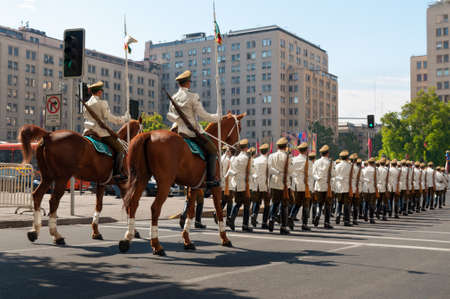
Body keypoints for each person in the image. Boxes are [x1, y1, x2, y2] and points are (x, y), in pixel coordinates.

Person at [167, 70, 220, 188]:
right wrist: (217, 118)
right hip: (191, 133)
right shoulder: (193, 96)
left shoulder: (174, 97)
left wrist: (178, 121)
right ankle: (211, 179)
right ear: (188, 83)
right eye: (190, 82)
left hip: (177, 131)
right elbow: (203, 115)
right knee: (212, 151)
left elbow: (169, 115)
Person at [83, 81, 130, 181]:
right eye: (101, 91)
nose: (102, 93)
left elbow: (86, 117)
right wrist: (124, 119)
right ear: (99, 92)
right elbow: (109, 118)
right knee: (120, 149)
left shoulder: (86, 104)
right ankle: (117, 173)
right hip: (101, 132)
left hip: (88, 130)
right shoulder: (102, 103)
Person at [226, 139, 254, 232]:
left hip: (237, 184)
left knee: (237, 203)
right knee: (246, 205)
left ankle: (231, 218)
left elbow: (232, 171)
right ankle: (245, 225)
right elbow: (252, 172)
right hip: (245, 185)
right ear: (246, 147)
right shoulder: (248, 158)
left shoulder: (235, 158)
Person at [268, 137, 292, 235]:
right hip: (285, 184)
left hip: (274, 182)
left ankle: (271, 217)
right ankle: (283, 227)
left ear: (277, 146)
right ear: (286, 147)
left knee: (275, 203)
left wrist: (277, 172)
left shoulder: (271, 156)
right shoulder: (288, 157)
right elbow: (291, 171)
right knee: (284, 205)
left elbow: (269, 169)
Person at [289, 142, 313, 231]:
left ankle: (291, 216)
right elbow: (311, 174)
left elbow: (290, 171)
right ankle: (304, 224)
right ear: (306, 151)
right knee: (306, 205)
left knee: (297, 203)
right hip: (305, 185)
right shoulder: (308, 162)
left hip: (295, 185)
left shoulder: (293, 160)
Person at [312, 145, 335, 229]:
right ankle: (326, 222)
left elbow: (313, 173)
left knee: (319, 203)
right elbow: (333, 174)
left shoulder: (316, 162)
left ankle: (317, 214)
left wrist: (318, 178)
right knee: (328, 204)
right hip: (327, 185)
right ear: (327, 153)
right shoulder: (330, 162)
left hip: (318, 185)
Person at [251, 143, 271, 229]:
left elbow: (252, 171)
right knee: (267, 205)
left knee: (256, 202)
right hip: (265, 184)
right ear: (267, 151)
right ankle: (264, 222)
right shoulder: (267, 160)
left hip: (256, 184)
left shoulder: (255, 160)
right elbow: (269, 173)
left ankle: (254, 215)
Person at [334, 150, 352, 226]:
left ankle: (338, 214)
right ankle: (346, 220)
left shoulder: (337, 166)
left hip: (338, 186)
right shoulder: (349, 166)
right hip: (346, 186)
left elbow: (334, 175)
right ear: (347, 157)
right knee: (346, 204)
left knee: (339, 202)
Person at [362, 157, 378, 224]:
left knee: (366, 202)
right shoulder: (374, 170)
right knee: (372, 203)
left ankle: (365, 215)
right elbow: (376, 179)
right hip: (372, 187)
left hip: (365, 187)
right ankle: (371, 217)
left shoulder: (364, 169)